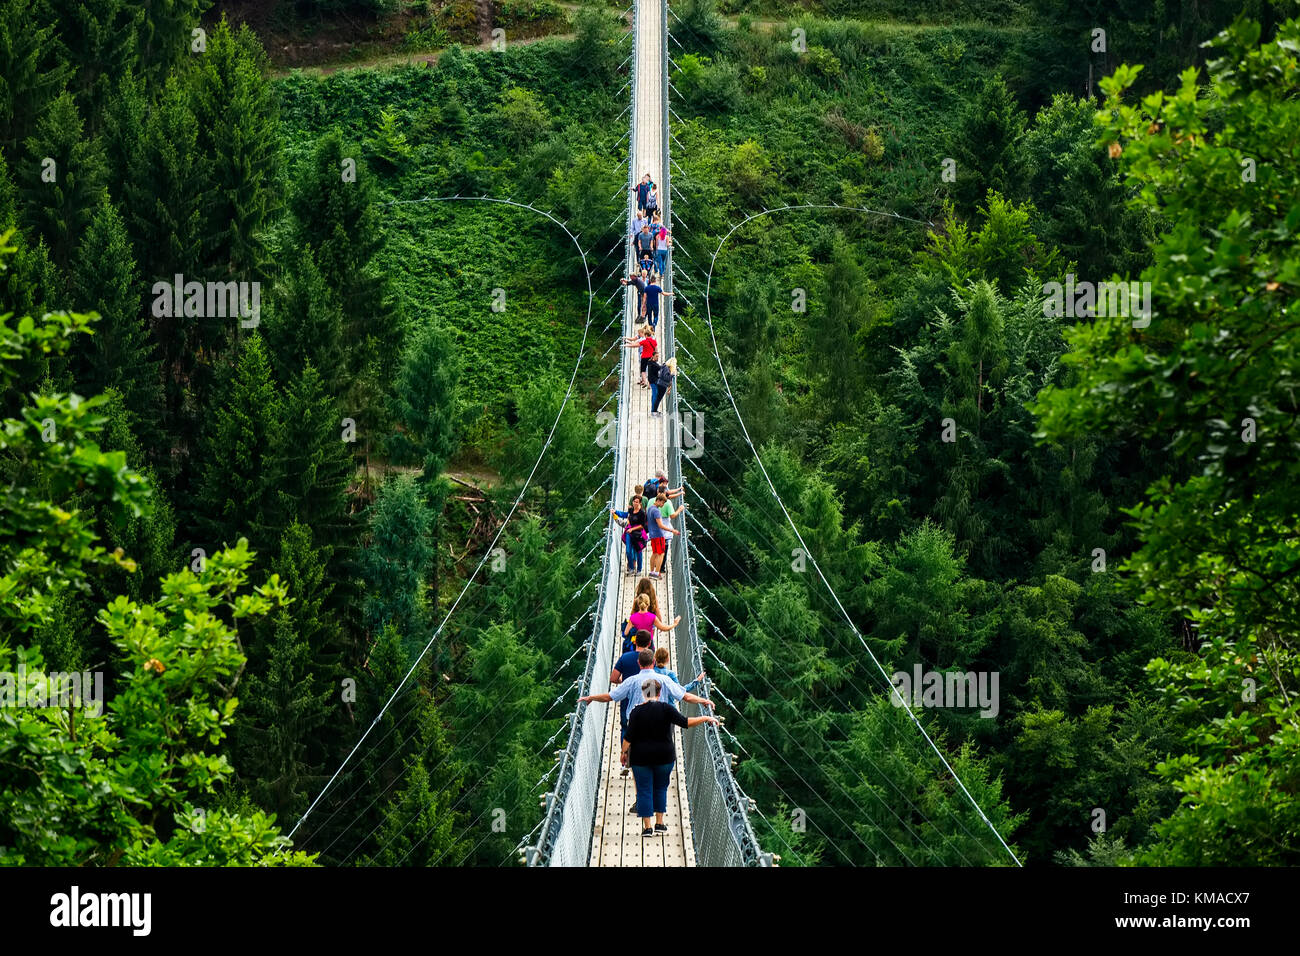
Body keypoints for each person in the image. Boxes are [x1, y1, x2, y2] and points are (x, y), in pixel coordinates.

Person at [621, 677, 718, 837]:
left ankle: (647, 828)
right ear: (659, 693)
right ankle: (659, 823)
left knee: (644, 790)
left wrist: (624, 753)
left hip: (640, 757)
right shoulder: (667, 709)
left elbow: (628, 738)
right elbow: (686, 722)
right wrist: (705, 718)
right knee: (660, 788)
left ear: (644, 693)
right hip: (664, 756)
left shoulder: (635, 712)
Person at [610, 629, 654, 774]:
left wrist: (625, 683)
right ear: (649, 643)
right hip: (647, 700)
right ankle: (645, 760)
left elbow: (613, 678)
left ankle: (625, 761)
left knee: (626, 729)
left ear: (634, 641)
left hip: (627, 701)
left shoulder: (625, 657)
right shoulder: (650, 661)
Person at [646, 490, 680, 578]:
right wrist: (672, 530)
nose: (663, 505)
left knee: (654, 553)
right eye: (663, 503)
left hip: (652, 534)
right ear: (659, 500)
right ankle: (656, 573)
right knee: (661, 553)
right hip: (658, 535)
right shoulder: (656, 511)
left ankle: (652, 572)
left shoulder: (650, 508)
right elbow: (661, 525)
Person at [610, 495, 649, 574]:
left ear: (640, 503)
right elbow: (624, 514)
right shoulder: (631, 510)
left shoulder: (642, 513)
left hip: (638, 533)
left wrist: (632, 529)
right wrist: (615, 512)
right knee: (628, 551)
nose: (635, 503)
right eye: (634, 501)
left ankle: (639, 570)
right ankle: (631, 568)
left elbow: (642, 526)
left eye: (637, 502)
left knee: (638, 551)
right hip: (629, 533)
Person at [659, 493, 687, 568]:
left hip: (655, 530)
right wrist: (679, 509)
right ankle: (661, 567)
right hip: (664, 531)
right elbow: (673, 515)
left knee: (657, 550)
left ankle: (657, 566)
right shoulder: (667, 503)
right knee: (663, 550)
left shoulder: (652, 502)